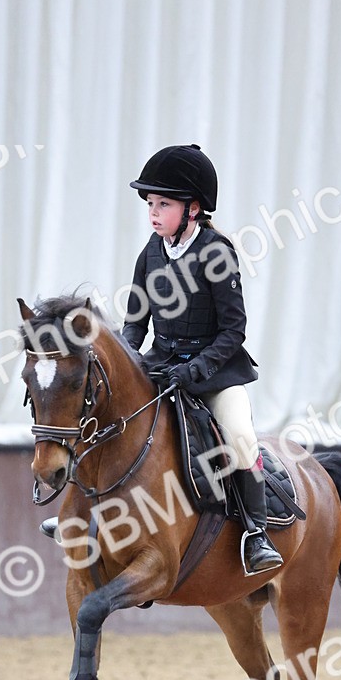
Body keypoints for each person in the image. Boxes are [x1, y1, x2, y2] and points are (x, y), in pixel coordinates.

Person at [122, 143, 283, 574]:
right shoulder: (150, 254)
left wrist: (198, 368)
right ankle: (87, 513)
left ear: (192, 208)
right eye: (150, 204)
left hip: (214, 374)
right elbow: (135, 323)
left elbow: (234, 331)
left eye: (163, 204)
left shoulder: (217, 253)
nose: (153, 212)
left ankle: (255, 533)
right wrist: (125, 359)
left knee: (240, 437)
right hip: (162, 368)